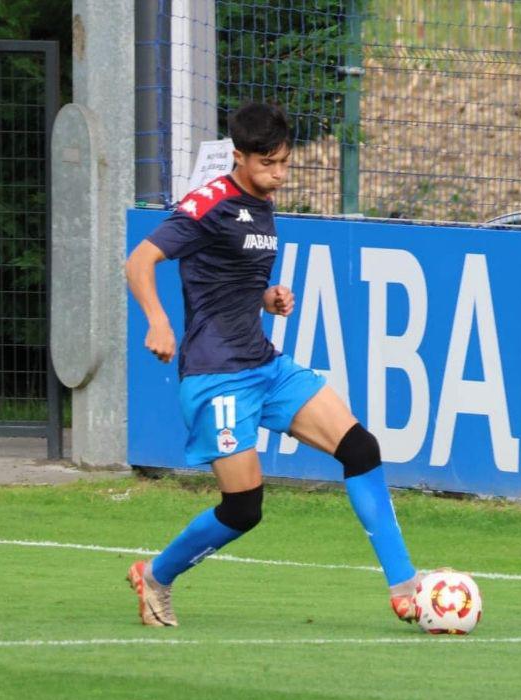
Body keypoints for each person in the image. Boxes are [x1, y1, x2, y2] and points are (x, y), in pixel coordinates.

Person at [124, 101, 420, 627]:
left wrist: (267, 297)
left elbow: (224, 277)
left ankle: (405, 586)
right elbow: (139, 260)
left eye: (284, 162)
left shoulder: (262, 202)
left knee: (360, 447)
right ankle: (156, 576)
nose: (279, 174)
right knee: (243, 508)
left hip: (264, 365)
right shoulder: (208, 203)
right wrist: (158, 321)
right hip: (217, 377)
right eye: (268, 164)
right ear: (239, 156)